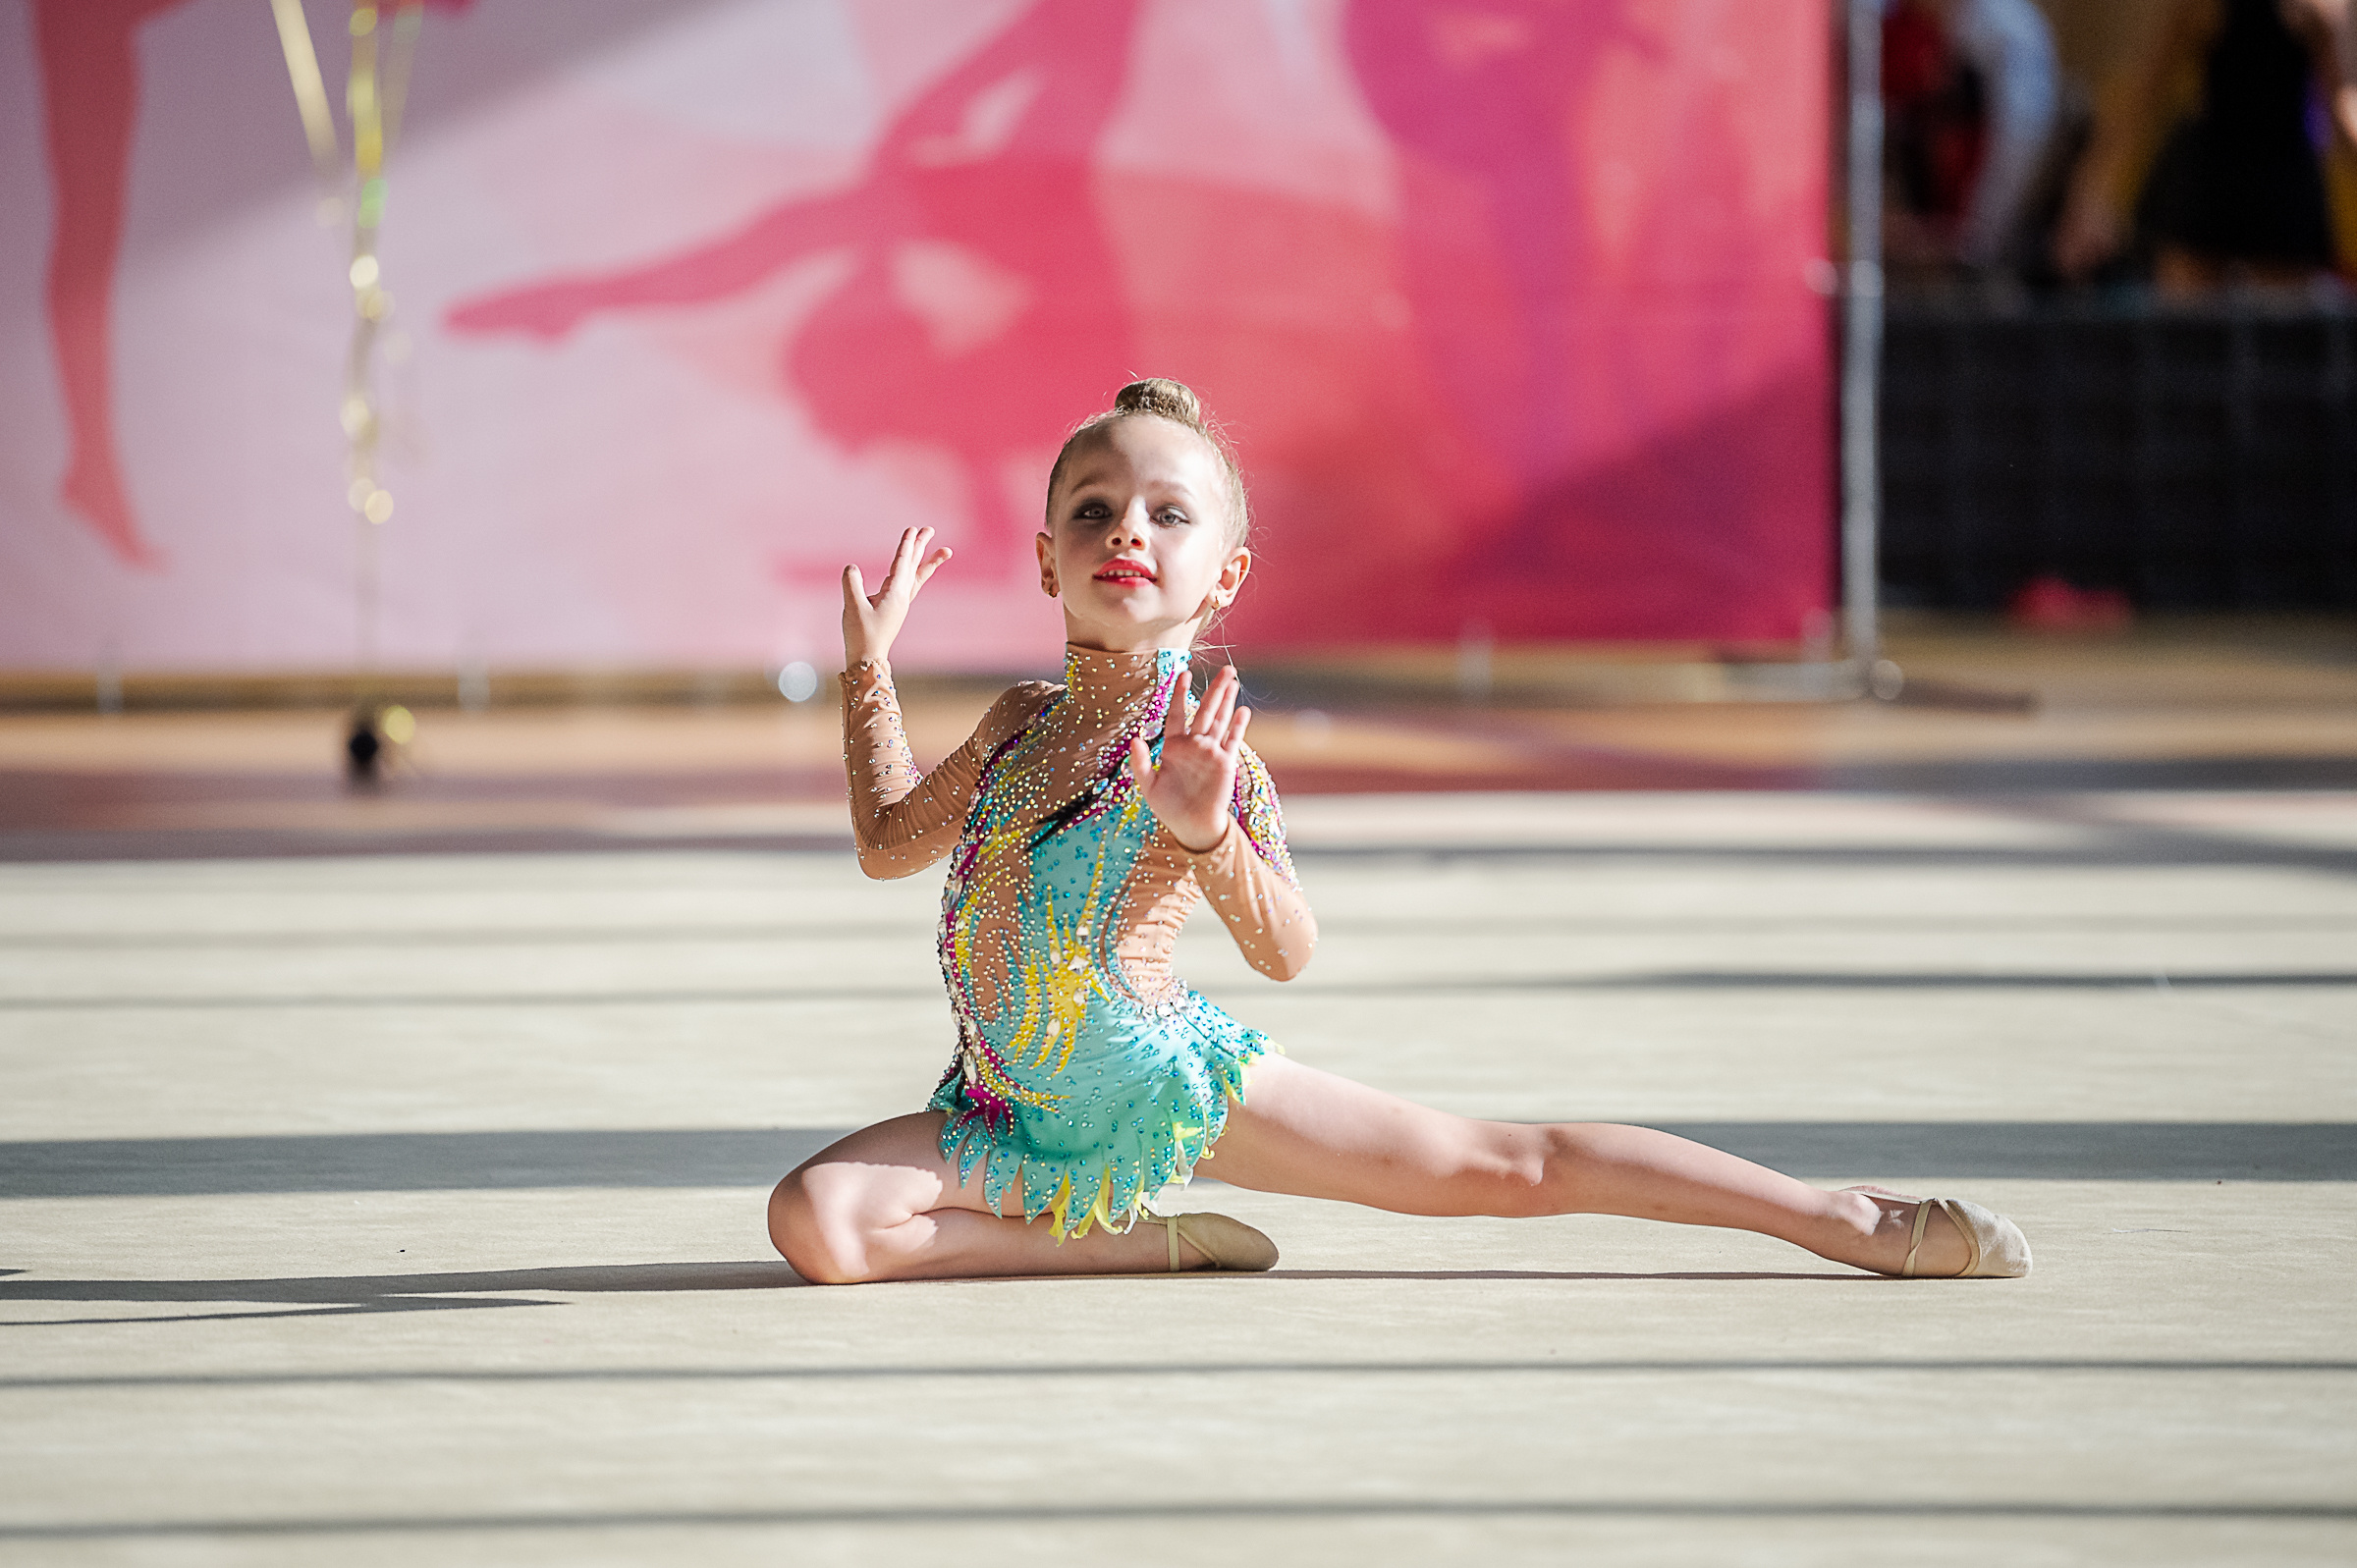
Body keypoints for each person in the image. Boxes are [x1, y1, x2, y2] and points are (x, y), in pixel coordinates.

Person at [767, 379, 2033, 1284]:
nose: (1127, 531)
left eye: (1168, 513)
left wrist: (1209, 837)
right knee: (817, 1221)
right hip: (1000, 1110)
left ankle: (1838, 1216)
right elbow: (889, 842)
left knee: (1504, 1165)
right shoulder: (1017, 720)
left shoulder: (1199, 742)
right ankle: (1125, 1241)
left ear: (1228, 574)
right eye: (1094, 510)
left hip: (1161, 1087)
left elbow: (1288, 951)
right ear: (1048, 559)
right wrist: (869, 670)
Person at [2054, 0, 2357, 290]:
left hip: (2275, 182)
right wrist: (2089, 194)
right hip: (2217, 178)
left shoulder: (2314, 11)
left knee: (2276, 321)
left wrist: (2088, 192)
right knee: (2192, 320)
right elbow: (2144, 98)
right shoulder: (2205, 7)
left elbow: (2339, 107)